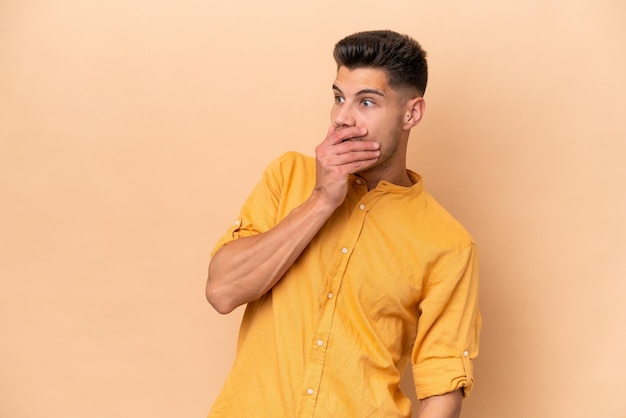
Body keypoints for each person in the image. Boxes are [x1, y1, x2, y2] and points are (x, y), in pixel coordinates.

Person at [206, 29, 481, 418]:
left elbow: (442, 386)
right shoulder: (287, 177)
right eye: (338, 98)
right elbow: (222, 290)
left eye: (366, 102)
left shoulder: (449, 244)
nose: (342, 118)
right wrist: (321, 200)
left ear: (411, 113)